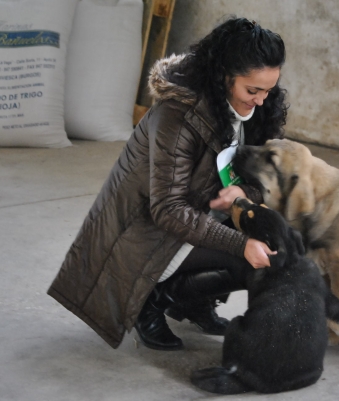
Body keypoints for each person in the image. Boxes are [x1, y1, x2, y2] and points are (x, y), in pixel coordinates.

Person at [47, 17, 287, 351]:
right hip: (148, 234)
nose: (261, 100)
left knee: (279, 240)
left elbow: (269, 180)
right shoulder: (178, 115)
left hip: (200, 217)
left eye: (268, 90)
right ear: (223, 75)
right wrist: (239, 244)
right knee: (250, 257)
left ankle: (193, 302)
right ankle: (154, 300)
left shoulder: (258, 109)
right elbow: (168, 211)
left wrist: (244, 192)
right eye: (253, 90)